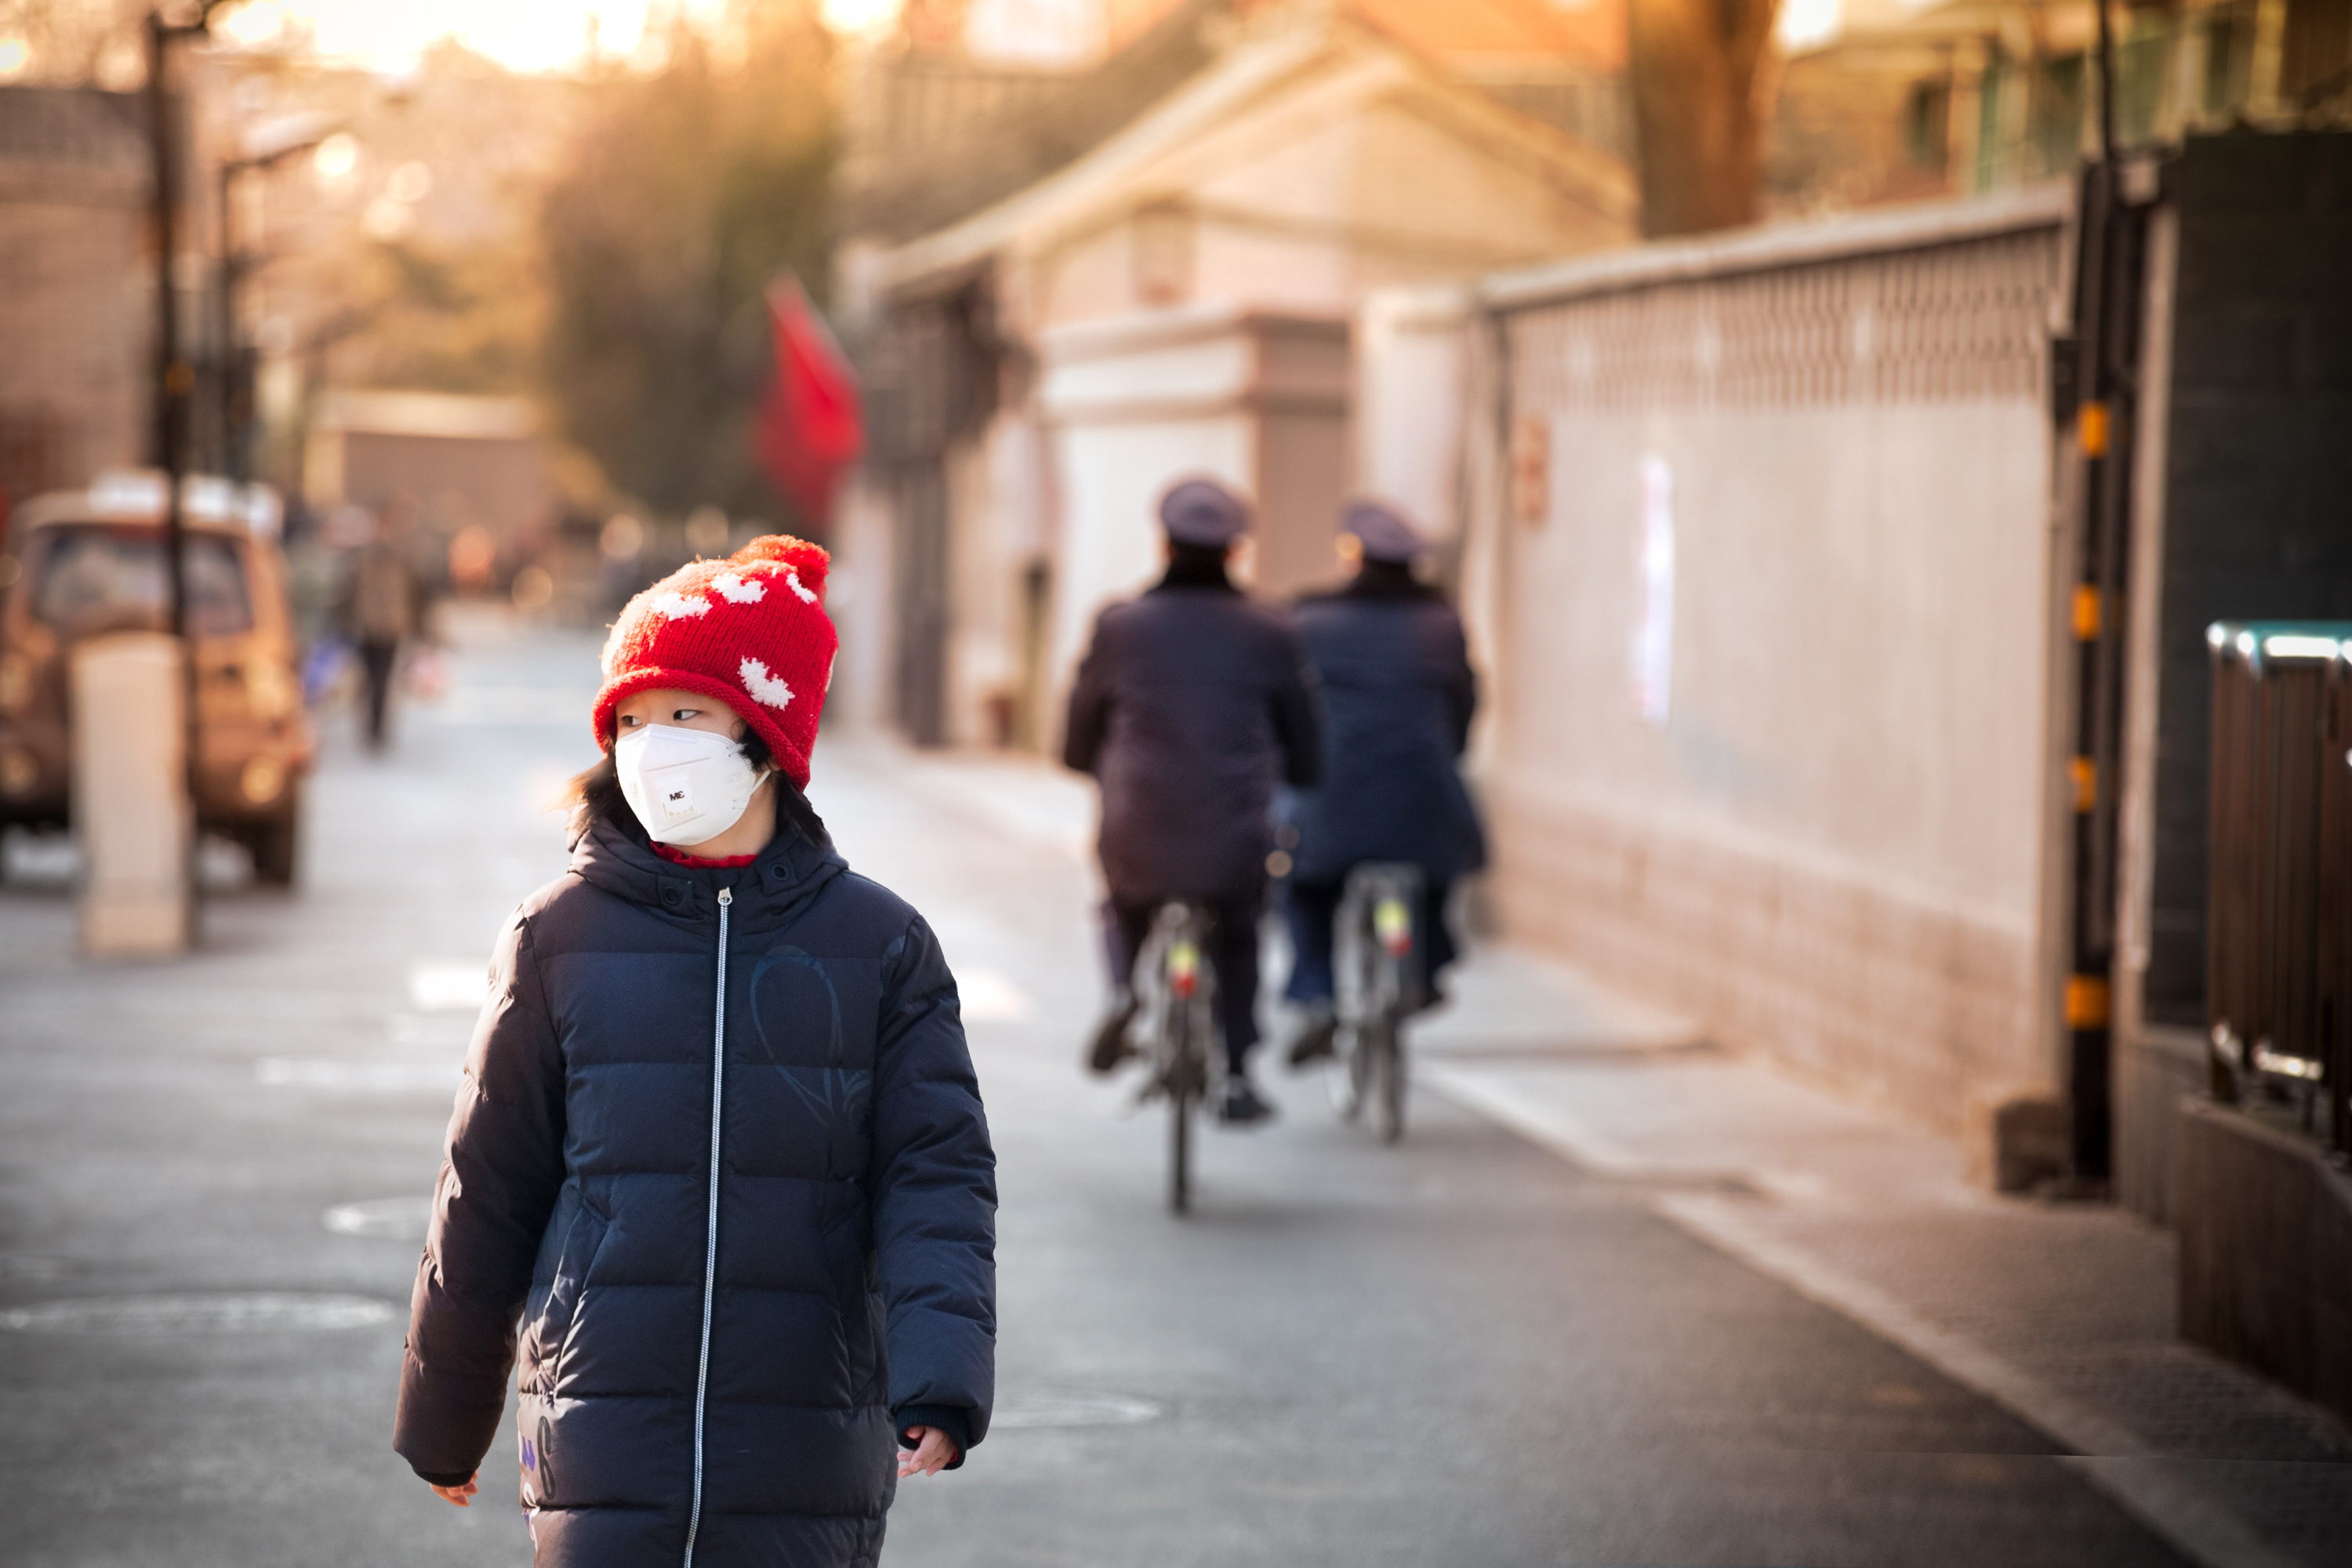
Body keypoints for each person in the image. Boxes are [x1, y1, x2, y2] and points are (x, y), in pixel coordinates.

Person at [393, 536, 997, 1566]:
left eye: (685, 714)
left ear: (766, 737)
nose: (650, 744)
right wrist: (445, 1415)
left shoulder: (882, 947)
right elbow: (488, 1188)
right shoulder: (558, 937)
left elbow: (934, 1173)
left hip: (807, 1439)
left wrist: (943, 1377)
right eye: (630, 718)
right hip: (598, 1428)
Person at [1062, 477, 1321, 1125]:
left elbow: (1077, 734)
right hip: (1233, 834)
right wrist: (1302, 775)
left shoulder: (1119, 625)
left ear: (1164, 545)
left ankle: (1124, 992)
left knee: (1123, 906)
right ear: (1235, 551)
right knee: (1237, 931)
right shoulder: (1271, 629)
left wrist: (1089, 764)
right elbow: (1303, 734)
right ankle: (1235, 1072)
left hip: (1138, 827)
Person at [1281, 499, 1485, 1065]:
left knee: (1304, 889)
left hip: (1332, 798)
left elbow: (1292, 710)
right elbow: (1465, 704)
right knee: (1438, 873)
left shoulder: (1310, 619)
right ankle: (1422, 970)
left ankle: (1317, 991)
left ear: (1353, 556)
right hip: (1423, 797)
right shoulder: (1441, 622)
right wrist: (1450, 753)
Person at [342, 505, 419, 750]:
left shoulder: (392, 558)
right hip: (379, 626)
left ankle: (375, 726)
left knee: (377, 679)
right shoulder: (389, 557)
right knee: (377, 679)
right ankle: (375, 726)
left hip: (380, 626)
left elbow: (415, 594)